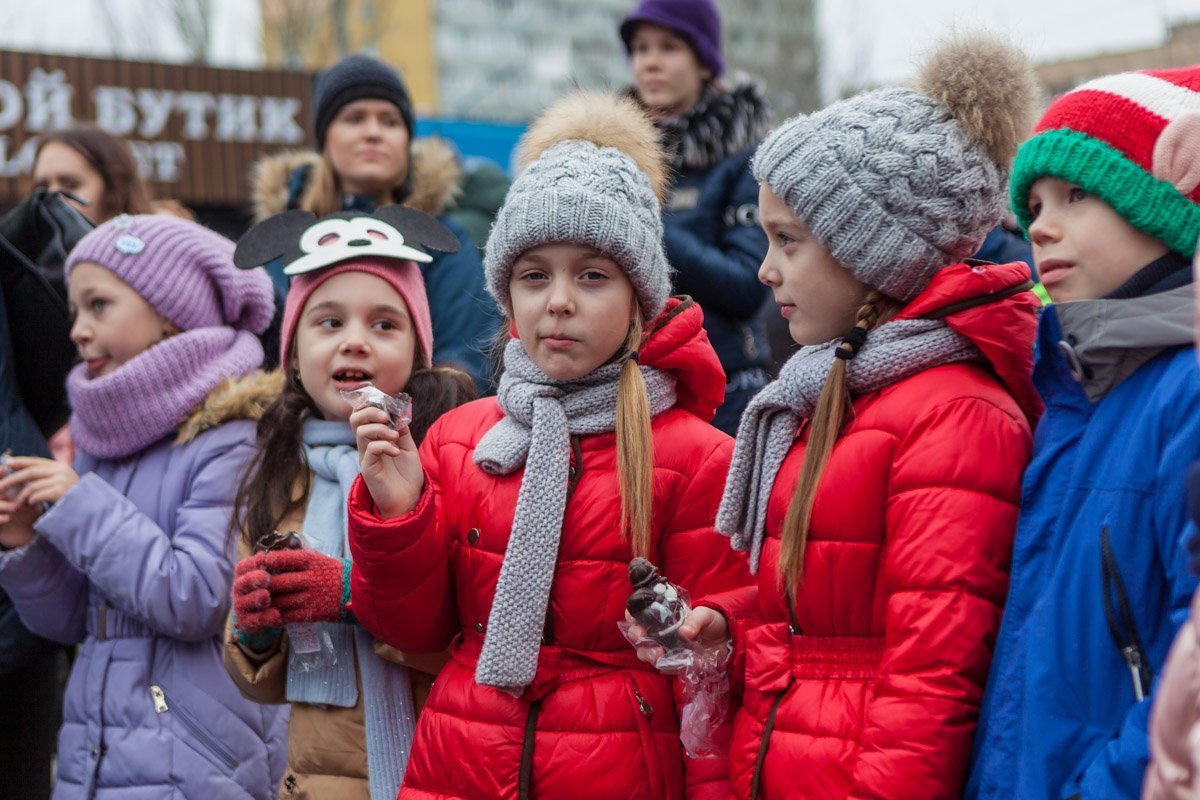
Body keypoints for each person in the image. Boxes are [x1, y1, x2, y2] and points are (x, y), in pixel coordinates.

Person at [653, 37, 1042, 798]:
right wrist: (730, 623)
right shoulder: (831, 389)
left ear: (875, 252)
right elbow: (820, 609)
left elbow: (931, 682)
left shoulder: (955, 417)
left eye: (788, 241)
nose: (766, 271)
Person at [347, 92, 750, 799]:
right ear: (506, 296)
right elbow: (410, 628)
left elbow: (713, 686)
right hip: (459, 764)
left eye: (591, 275)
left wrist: (706, 639)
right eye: (534, 276)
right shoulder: (458, 437)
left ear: (639, 295)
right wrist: (398, 506)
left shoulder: (697, 458)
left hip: (620, 771)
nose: (558, 300)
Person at [966, 66, 1200, 800]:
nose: (1039, 225)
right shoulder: (1072, 396)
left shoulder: (1186, 392)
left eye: (1076, 195)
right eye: (1032, 204)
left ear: (1166, 208)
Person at [0, 215, 287, 798]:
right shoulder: (104, 440)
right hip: (97, 757)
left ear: (169, 312)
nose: (77, 330)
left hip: (196, 759)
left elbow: (198, 598)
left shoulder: (234, 436)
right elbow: (70, 621)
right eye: (75, 310)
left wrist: (79, 505)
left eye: (99, 306)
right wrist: (27, 544)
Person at [224, 207, 476, 799]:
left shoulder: (447, 458)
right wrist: (254, 634)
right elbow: (260, 682)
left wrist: (352, 593)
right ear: (291, 355)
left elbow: (470, 636)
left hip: (436, 767)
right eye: (329, 321)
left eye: (385, 325)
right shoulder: (276, 476)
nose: (355, 340)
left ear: (419, 353)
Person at [250, 54, 498, 390]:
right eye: (354, 118)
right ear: (325, 138)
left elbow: (470, 355)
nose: (373, 133)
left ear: (406, 140)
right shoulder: (279, 244)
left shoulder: (442, 241)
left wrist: (401, 418)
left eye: (390, 121)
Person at [620, 0, 772, 434]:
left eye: (669, 47)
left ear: (705, 62)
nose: (649, 61)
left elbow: (747, 284)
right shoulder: (614, 151)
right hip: (633, 386)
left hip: (726, 388)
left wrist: (644, 220)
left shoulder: (744, 158)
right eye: (640, 47)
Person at [33, 125, 153, 224]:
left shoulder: (158, 247)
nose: (52, 198)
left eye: (71, 185)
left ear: (114, 188)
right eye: (42, 188)